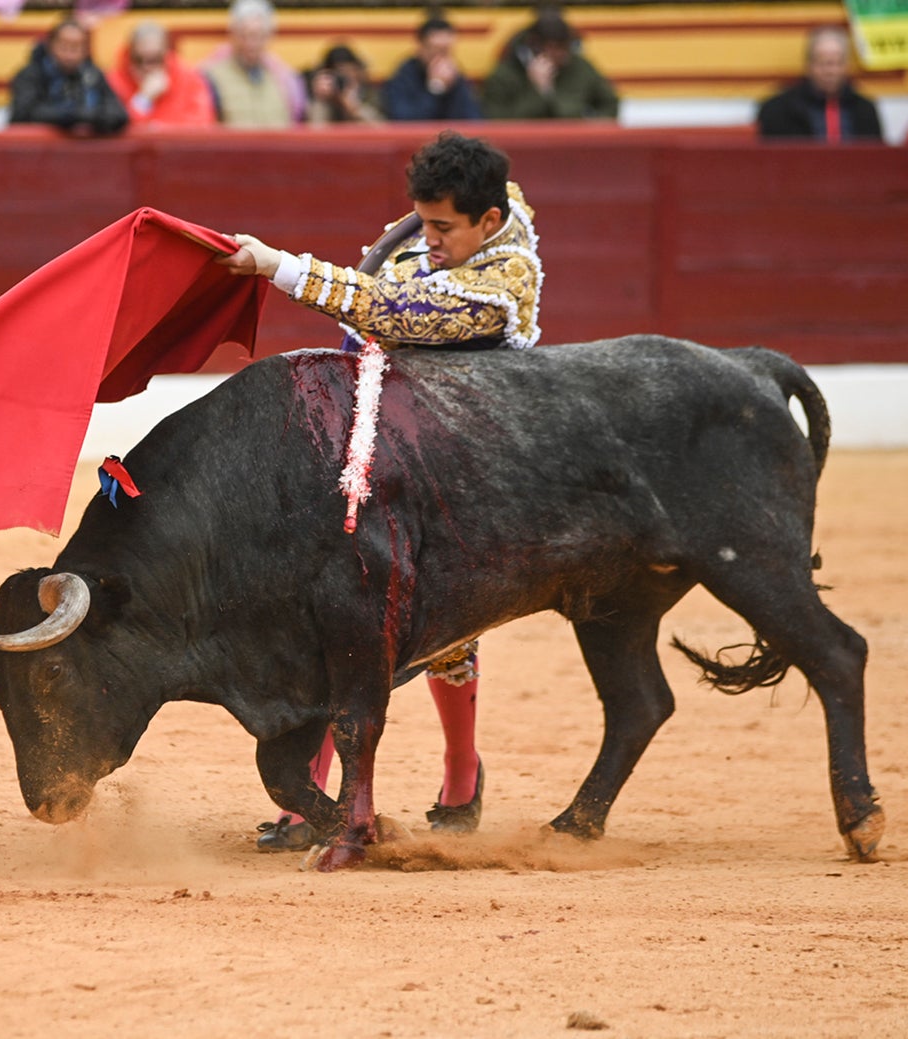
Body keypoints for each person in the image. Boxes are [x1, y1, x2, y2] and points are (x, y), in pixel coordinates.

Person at [217, 131, 543, 851]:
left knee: (445, 630)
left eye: (443, 227)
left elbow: (388, 314)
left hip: (453, 468)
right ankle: (311, 793)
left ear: (487, 223)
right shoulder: (457, 223)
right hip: (366, 444)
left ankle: (461, 767)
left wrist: (275, 266)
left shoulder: (501, 281)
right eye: (421, 221)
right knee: (333, 614)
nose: (426, 239)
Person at [481, 9, 618, 120]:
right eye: (554, 48)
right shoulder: (504, 75)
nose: (561, 54)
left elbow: (610, 104)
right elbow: (496, 122)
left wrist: (595, 124)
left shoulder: (581, 67)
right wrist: (537, 91)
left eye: (565, 47)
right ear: (535, 46)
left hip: (574, 144)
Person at [756, 26, 881, 142]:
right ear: (808, 65)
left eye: (837, 63)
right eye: (823, 63)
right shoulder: (777, 110)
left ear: (847, 66)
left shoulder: (865, 110)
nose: (830, 71)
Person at [9, 18, 128, 136]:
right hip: (39, 150)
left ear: (86, 50)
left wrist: (95, 117)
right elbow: (24, 114)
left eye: (76, 47)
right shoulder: (31, 75)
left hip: (86, 150)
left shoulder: (93, 75)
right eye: (64, 46)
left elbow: (119, 112)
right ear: (51, 45)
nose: (69, 54)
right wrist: (71, 116)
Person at [200, 0, 306, 127]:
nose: (251, 44)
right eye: (245, 35)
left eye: (258, 36)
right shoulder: (210, 77)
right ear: (233, 35)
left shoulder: (285, 79)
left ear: (268, 37)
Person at [106, 20, 216, 128]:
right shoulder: (114, 83)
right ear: (130, 55)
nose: (146, 67)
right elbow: (118, 132)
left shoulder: (189, 80)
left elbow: (202, 124)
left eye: (154, 60)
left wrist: (161, 131)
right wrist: (143, 99)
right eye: (139, 59)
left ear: (166, 54)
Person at [381, 14, 482, 122]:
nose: (441, 56)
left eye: (446, 50)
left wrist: (453, 88)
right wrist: (436, 88)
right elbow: (404, 120)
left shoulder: (456, 77)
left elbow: (473, 120)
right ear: (421, 47)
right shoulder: (404, 77)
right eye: (436, 49)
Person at [306, 43, 383, 125]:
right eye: (339, 72)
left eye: (349, 71)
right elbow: (315, 131)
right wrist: (321, 99)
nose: (345, 77)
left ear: (358, 71)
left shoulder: (369, 93)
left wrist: (354, 107)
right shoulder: (325, 100)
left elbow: (382, 128)